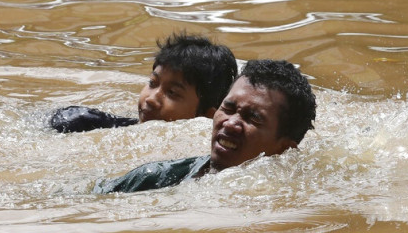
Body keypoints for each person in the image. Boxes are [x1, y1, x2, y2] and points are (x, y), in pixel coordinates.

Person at [94, 59, 316, 193]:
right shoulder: (154, 177)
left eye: (253, 118)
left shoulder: (287, 201)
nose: (230, 124)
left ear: (285, 148)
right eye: (228, 108)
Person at [49, 32, 238, 133]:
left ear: (206, 116)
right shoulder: (95, 124)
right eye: (153, 83)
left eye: (172, 93)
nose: (151, 99)